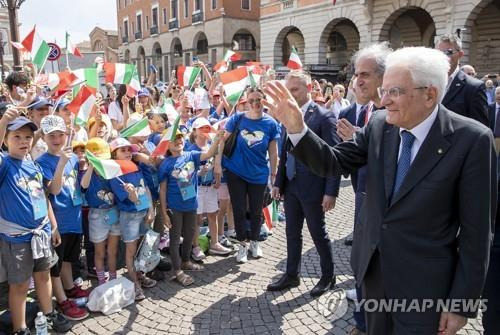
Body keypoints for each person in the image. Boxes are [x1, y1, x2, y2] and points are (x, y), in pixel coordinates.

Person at [263, 47, 496, 335]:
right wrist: (298, 129)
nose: (383, 100)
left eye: (394, 92)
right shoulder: (378, 125)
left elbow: (477, 233)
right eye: (383, 90)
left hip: (425, 289)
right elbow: (333, 162)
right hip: (373, 276)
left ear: (430, 94)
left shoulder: (472, 140)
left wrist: (461, 303)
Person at [267, 71, 341, 298]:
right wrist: (279, 182)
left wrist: (331, 192)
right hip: (291, 186)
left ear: (309, 88)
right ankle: (292, 274)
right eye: (288, 90)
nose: (290, 94)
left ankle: (328, 276)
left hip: (314, 188)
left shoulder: (323, 117)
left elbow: (334, 158)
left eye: (295, 89)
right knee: (292, 232)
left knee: (318, 233)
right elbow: (285, 152)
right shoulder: (286, 115)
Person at [0, 113, 72, 334]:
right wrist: (3, 123)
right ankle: (20, 328)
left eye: (28, 137)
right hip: (17, 239)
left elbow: (45, 196)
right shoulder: (4, 165)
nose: (23, 141)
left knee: (43, 275)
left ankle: (49, 314)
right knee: (20, 284)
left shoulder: (33, 166)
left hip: (42, 233)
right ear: (5, 140)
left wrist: (53, 225)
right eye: (17, 137)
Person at [215, 87, 280, 263]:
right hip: (236, 171)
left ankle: (255, 241)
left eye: (258, 100)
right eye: (251, 100)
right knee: (239, 209)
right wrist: (218, 163)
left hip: (259, 173)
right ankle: (242, 244)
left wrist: (274, 175)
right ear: (246, 102)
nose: (255, 104)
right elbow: (222, 140)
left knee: (257, 209)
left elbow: (273, 153)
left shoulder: (271, 124)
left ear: (264, 101)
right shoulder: (237, 118)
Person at [36, 115, 90, 321]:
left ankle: (70, 289)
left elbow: (78, 186)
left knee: (68, 258)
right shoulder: (42, 162)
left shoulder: (73, 158)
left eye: (60, 134)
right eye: (52, 136)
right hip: (57, 220)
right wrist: (61, 164)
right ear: (44, 138)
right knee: (56, 265)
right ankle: (61, 299)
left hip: (74, 216)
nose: (57, 139)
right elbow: (54, 190)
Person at [158, 127, 223, 286]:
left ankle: (186, 261)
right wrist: (164, 213)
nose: (178, 141)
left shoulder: (191, 155)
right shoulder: (165, 164)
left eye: (180, 138)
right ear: (167, 145)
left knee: (190, 234)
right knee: (175, 238)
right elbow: (163, 189)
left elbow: (208, 154)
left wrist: (217, 139)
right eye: (174, 139)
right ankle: (177, 270)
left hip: (191, 205)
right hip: (175, 207)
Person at [109, 138, 156, 300]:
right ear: (114, 154)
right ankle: (135, 283)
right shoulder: (115, 174)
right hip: (129, 216)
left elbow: (146, 188)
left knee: (141, 248)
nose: (127, 153)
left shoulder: (136, 167)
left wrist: (151, 209)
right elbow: (130, 198)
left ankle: (139, 274)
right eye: (122, 150)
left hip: (143, 213)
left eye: (129, 149)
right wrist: (132, 195)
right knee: (130, 251)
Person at [186, 117, 232, 257]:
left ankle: (215, 243)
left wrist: (216, 178)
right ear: (195, 132)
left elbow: (217, 164)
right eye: (202, 128)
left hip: (210, 187)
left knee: (212, 214)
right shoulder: (191, 149)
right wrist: (200, 172)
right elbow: (186, 172)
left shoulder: (212, 145)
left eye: (207, 127)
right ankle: (196, 247)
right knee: (197, 219)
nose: (206, 130)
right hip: (197, 188)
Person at [81, 138, 121, 286]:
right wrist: (91, 166)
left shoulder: (111, 172)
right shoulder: (88, 174)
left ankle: (113, 277)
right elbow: (83, 187)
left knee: (113, 250)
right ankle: (102, 281)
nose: (101, 162)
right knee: (99, 252)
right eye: (98, 159)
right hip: (97, 214)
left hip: (113, 212)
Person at [436, 34, 489, 126]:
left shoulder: (473, 87)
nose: (442, 57)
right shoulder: (427, 82)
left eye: (448, 52)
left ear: (460, 55)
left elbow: (480, 129)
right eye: (438, 53)